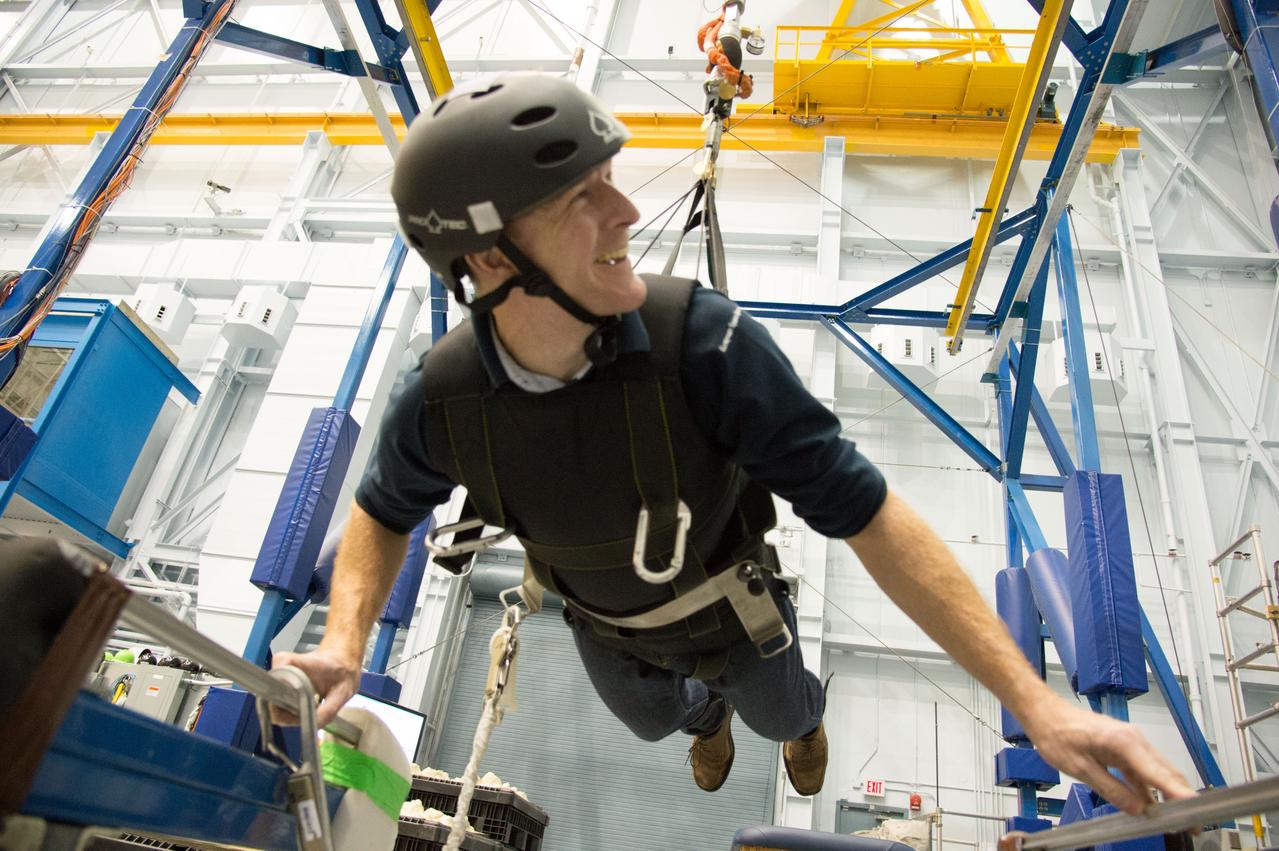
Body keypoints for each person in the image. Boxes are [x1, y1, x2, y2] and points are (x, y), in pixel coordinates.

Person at [274, 73, 1194, 811]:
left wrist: (1036, 703)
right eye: (577, 199)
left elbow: (869, 514)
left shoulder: (705, 347)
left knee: (784, 709)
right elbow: (381, 508)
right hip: (606, 630)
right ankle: (700, 716)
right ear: (486, 259)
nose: (627, 213)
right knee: (652, 723)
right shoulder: (441, 399)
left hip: (738, 614)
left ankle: (787, 719)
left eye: (609, 181)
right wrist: (347, 638)